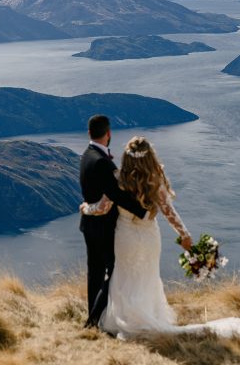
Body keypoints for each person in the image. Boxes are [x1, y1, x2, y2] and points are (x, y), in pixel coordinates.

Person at [81, 136, 240, 340]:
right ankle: (149, 318)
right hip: (150, 237)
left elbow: (102, 208)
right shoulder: (155, 181)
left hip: (125, 238)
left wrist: (86, 208)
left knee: (123, 277)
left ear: (127, 157)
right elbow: (170, 214)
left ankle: (124, 321)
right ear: (150, 157)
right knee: (147, 277)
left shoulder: (118, 179)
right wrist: (185, 236)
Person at [79, 115, 148, 328]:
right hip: (103, 227)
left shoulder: (86, 156)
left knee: (96, 272)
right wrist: (143, 211)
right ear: (108, 134)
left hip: (89, 224)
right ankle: (93, 320)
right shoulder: (102, 162)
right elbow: (116, 195)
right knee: (116, 271)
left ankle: (95, 317)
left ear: (90, 133)